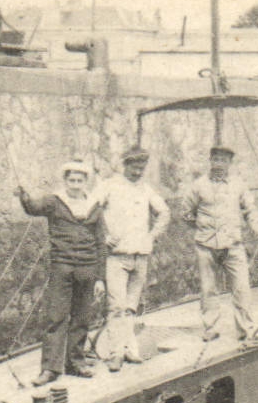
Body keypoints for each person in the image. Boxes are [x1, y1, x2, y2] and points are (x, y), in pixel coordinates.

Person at [19, 160, 106, 385]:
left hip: (87, 268)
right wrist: (23, 196)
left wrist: (100, 278)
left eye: (79, 180)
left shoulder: (94, 206)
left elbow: (100, 242)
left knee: (81, 318)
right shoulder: (54, 202)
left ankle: (75, 363)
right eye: (71, 180)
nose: (75, 185)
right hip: (62, 267)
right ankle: (50, 368)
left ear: (85, 182)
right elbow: (32, 208)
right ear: (65, 181)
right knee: (56, 317)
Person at [180, 145, 258, 343]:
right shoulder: (198, 185)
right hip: (206, 246)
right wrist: (202, 228)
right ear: (210, 161)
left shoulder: (239, 185)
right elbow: (186, 212)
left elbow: (250, 209)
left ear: (230, 163)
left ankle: (247, 329)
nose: (219, 164)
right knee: (208, 289)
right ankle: (210, 328)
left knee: (241, 288)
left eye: (223, 161)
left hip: (233, 245)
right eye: (215, 160)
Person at [95, 144, 169, 371]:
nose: (137, 172)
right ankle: (116, 353)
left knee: (130, 306)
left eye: (141, 168)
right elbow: (92, 211)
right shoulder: (109, 186)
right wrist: (104, 235)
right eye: (134, 167)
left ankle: (130, 349)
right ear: (124, 165)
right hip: (117, 257)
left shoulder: (145, 190)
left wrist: (152, 235)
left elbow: (164, 212)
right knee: (116, 306)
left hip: (140, 256)